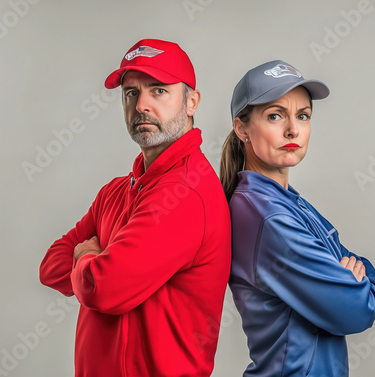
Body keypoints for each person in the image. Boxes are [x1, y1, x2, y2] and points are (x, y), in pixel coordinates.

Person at [39, 39, 231, 377]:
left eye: (158, 91)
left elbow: (103, 287)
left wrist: (86, 256)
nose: (141, 104)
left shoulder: (185, 192)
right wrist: (93, 268)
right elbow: (51, 266)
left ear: (191, 102)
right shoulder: (116, 191)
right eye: (131, 93)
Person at [220, 60, 375, 377]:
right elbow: (356, 309)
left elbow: (361, 282)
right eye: (274, 116)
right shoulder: (265, 216)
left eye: (303, 116)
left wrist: (361, 278)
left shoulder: (288, 201)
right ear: (242, 127)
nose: (292, 129)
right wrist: (359, 280)